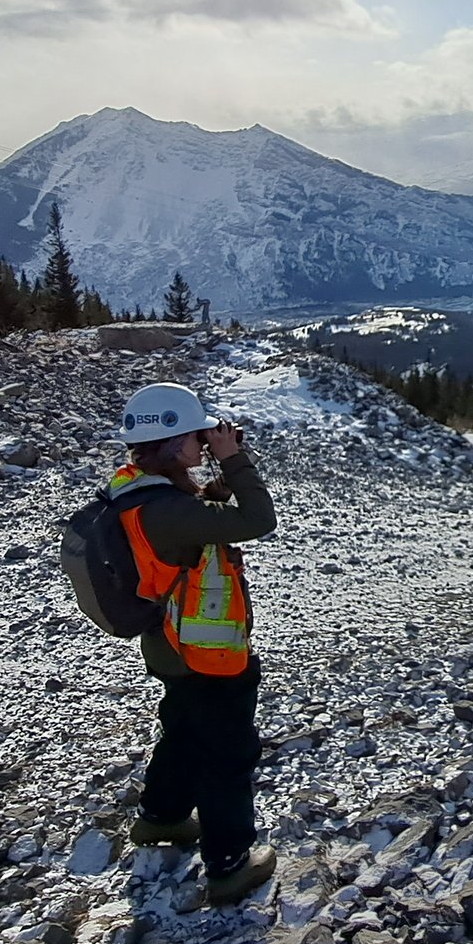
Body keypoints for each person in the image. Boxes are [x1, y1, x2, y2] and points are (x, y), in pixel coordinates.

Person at [108, 381, 278, 906]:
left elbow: (189, 527)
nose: (204, 443)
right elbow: (258, 520)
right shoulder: (166, 508)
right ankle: (228, 862)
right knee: (227, 748)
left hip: (169, 643)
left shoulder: (139, 487)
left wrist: (215, 486)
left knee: (183, 726)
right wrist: (235, 459)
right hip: (203, 648)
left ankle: (162, 816)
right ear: (174, 441)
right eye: (196, 436)